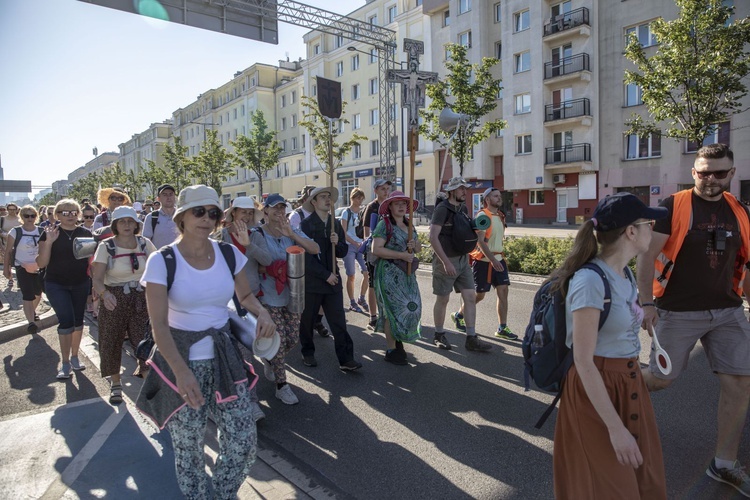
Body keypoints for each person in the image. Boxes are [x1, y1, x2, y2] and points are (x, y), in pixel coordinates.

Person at [138, 184, 275, 499]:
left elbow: (244, 295)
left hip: (225, 358)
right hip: (180, 361)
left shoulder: (228, 254)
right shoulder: (163, 260)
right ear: (183, 217)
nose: (206, 218)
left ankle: (224, 493)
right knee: (190, 449)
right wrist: (181, 373)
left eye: (213, 212)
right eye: (198, 211)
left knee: (243, 440)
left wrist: (262, 312)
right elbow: (158, 324)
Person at [636, 143, 750, 497]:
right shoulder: (673, 207)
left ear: (732, 173)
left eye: (719, 173)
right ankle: (607, 391)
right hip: (677, 310)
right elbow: (645, 258)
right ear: (693, 172)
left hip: (728, 310)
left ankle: (724, 465)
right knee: (660, 379)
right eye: (704, 172)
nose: (711, 179)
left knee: (741, 383)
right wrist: (646, 304)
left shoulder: (740, 211)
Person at [553, 192, 668, 499]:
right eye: (649, 223)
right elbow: (584, 360)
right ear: (630, 231)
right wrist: (615, 430)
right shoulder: (590, 280)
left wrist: (639, 319)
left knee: (646, 482)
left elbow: (616, 323)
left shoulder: (626, 273)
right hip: (597, 388)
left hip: (629, 383)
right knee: (610, 488)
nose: (653, 228)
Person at [247, 194, 319, 404]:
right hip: (268, 295)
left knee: (292, 339)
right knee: (278, 341)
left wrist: (293, 236)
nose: (279, 212)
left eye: (282, 208)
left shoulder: (291, 230)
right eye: (274, 208)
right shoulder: (257, 233)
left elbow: (315, 249)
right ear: (265, 211)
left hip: (293, 293)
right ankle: (282, 385)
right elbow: (251, 265)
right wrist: (273, 268)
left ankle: (270, 358)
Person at [91, 206, 157, 404]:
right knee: (111, 339)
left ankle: (149, 384)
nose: (127, 225)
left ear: (137, 224)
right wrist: (104, 294)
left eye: (130, 221)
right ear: (115, 225)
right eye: (122, 221)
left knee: (145, 342)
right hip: (115, 296)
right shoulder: (106, 246)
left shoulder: (145, 244)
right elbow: (97, 278)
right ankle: (116, 384)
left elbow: (158, 268)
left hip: (142, 295)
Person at [299, 186, 362, 371]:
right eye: (323, 197)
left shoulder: (335, 224)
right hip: (313, 282)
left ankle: (346, 359)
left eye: (329, 197)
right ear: (314, 202)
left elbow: (342, 252)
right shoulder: (306, 225)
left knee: (338, 321)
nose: (328, 200)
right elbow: (305, 258)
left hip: (333, 281)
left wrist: (338, 243)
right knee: (308, 320)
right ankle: (308, 352)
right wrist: (324, 275)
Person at [430, 176, 492, 352]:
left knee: (470, 297)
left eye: (465, 188)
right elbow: (433, 237)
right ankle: (439, 335)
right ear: (452, 191)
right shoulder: (442, 209)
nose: (465, 191)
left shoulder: (463, 208)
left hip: (463, 260)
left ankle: (471, 338)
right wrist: (445, 262)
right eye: (461, 189)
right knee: (443, 299)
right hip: (446, 260)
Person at [36, 199, 92, 379]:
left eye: (74, 212)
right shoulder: (49, 233)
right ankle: (65, 362)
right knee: (66, 320)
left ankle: (75, 357)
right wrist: (50, 242)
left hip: (80, 283)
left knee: (77, 321)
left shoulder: (85, 233)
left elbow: (91, 261)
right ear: (57, 215)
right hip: (56, 283)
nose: (70, 216)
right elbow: (41, 263)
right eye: (65, 212)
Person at [457, 187, 518, 340]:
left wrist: (497, 259)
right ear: (487, 200)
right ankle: (459, 315)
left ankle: (502, 328)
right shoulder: (483, 216)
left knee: (503, 291)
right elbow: (480, 241)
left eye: (499, 196)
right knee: (480, 295)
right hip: (483, 261)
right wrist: (492, 259)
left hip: (499, 259)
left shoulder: (500, 216)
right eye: (495, 196)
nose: (499, 198)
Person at [371, 191, 421, 365]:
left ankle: (398, 339)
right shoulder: (384, 225)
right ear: (390, 207)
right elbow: (376, 249)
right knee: (391, 311)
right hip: (389, 273)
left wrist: (415, 245)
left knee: (412, 309)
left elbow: (419, 248)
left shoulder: (409, 225)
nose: (401, 206)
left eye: (403, 203)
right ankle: (392, 349)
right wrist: (400, 255)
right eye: (396, 203)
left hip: (407, 275)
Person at [288, 184, 329, 338]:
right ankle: (304, 328)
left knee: (323, 297)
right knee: (306, 299)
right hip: (304, 262)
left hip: (320, 260)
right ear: (309, 199)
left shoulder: (323, 216)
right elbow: (293, 239)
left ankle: (317, 321)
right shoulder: (296, 215)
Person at [4, 205, 43, 334]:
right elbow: (8, 252)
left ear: (36, 217)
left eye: (32, 215)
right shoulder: (15, 232)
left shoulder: (41, 231)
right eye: (26, 215)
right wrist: (6, 268)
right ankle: (31, 322)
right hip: (21, 266)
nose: (30, 218)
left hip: (38, 266)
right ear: (21, 217)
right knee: (27, 294)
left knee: (38, 293)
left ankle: (32, 311)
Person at [362, 179, 392, 328]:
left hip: (390, 250)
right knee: (373, 284)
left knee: (388, 283)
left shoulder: (391, 205)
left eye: (387, 188)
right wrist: (371, 247)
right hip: (373, 251)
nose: (386, 191)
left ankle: (387, 314)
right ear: (376, 191)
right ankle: (373, 317)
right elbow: (366, 232)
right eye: (382, 189)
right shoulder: (372, 207)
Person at [339, 188, 369, 313]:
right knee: (351, 275)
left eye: (362, 198)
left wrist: (363, 242)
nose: (360, 201)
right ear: (352, 198)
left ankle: (361, 298)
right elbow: (343, 233)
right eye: (358, 198)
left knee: (367, 273)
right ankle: (351, 301)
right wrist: (354, 243)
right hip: (349, 246)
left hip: (361, 245)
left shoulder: (363, 212)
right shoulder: (346, 212)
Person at [143, 184, 180, 248]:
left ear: (175, 197)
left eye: (171, 194)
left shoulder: (182, 216)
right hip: (159, 257)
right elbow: (146, 242)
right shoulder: (151, 217)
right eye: (164, 195)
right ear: (158, 199)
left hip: (180, 257)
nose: (168, 197)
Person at [0, 203, 21, 267]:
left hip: (18, 244)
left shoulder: (20, 219)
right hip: (4, 244)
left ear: (17, 210)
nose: (12, 211)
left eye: (14, 209)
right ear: (7, 210)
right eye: (10, 209)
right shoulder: (2, 219)